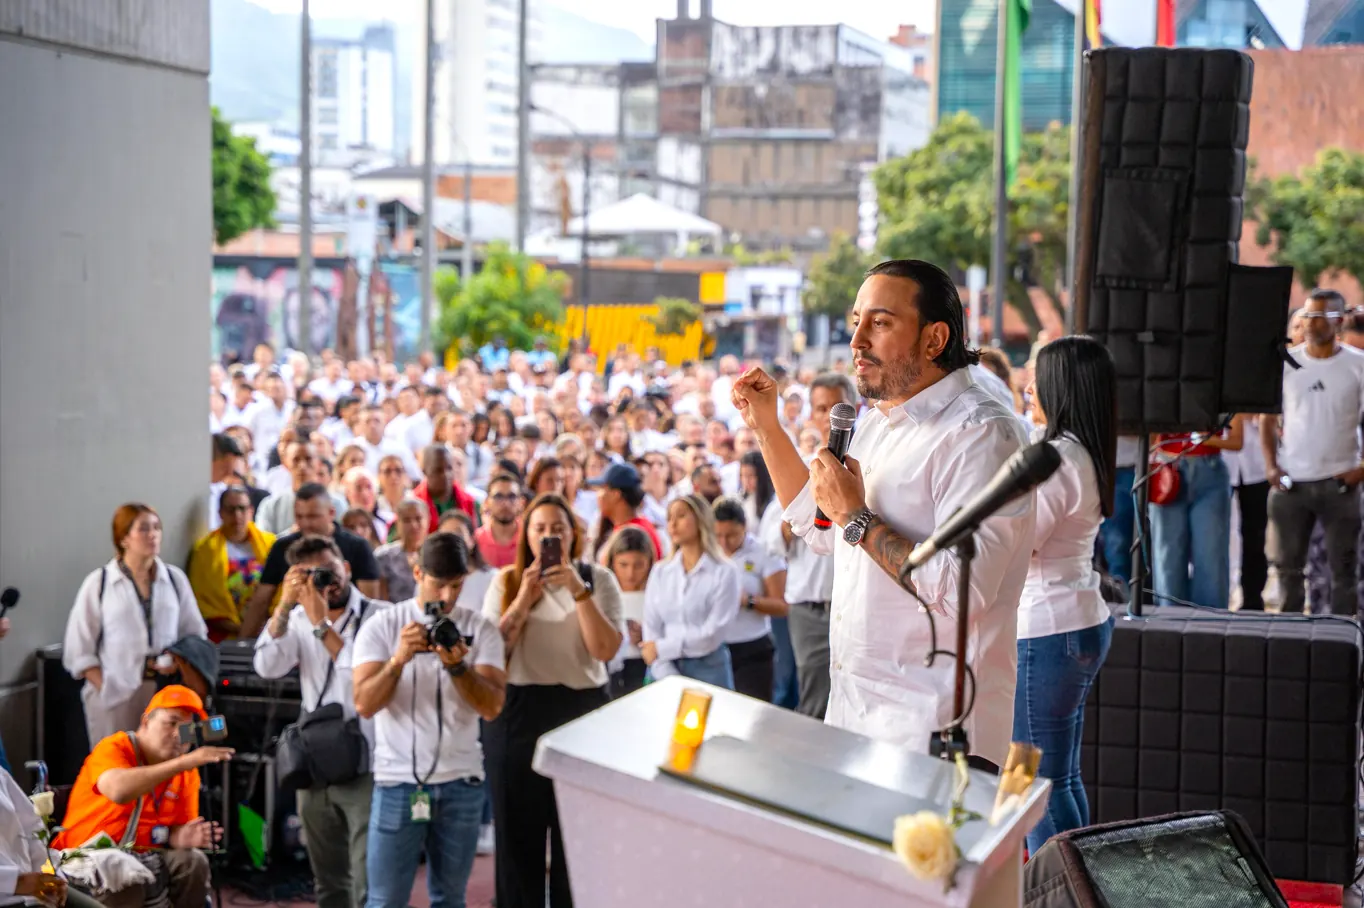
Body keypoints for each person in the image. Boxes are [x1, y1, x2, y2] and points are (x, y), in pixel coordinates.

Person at [731, 259, 1033, 768]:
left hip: (936, 731)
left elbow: (962, 592)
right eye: (856, 322)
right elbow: (822, 528)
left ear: (935, 338)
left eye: (880, 322)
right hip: (856, 717)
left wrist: (857, 516)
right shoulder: (878, 424)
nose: (857, 342)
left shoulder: (982, 434)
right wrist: (767, 427)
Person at [482, 494, 622, 908]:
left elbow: (605, 650)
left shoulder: (598, 579)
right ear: (526, 535)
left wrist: (579, 593)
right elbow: (494, 651)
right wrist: (525, 596)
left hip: (582, 710)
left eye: (557, 529)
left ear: (572, 534)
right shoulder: (506, 581)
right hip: (519, 711)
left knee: (575, 843)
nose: (549, 536)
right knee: (516, 842)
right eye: (540, 529)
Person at [353, 534, 506, 908]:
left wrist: (457, 666)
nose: (449, 597)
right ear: (417, 572)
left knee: (451, 899)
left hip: (462, 782)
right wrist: (398, 660)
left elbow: (491, 706)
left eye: (457, 585)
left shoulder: (481, 629)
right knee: (385, 900)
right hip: (397, 781)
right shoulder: (383, 627)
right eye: (440, 584)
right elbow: (365, 704)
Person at [1014, 336, 1117, 853]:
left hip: (1047, 628)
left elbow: (1019, 548)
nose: (1029, 387)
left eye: (1038, 376)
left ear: (1061, 386)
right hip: (1077, 618)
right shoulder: (1087, 449)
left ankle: (1060, 891)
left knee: (1032, 783)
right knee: (1061, 776)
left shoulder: (1055, 457)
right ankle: (1081, 884)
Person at [255, 536, 391, 908]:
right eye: (314, 575)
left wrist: (319, 624)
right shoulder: (297, 619)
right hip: (316, 764)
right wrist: (284, 605)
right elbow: (266, 666)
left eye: (330, 570)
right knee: (329, 885)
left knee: (368, 882)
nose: (326, 582)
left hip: (368, 761)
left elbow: (358, 675)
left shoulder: (380, 616)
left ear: (346, 568)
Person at [53, 686, 232, 908]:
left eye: (187, 729)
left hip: (146, 855)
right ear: (146, 721)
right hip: (88, 857)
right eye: (171, 723)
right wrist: (182, 762)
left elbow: (172, 833)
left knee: (193, 862)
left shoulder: (187, 774)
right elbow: (118, 790)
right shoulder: (115, 747)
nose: (178, 734)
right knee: (124, 876)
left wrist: (179, 837)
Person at [64, 505, 208, 746]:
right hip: (115, 694)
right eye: (143, 529)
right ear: (123, 539)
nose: (153, 534)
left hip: (164, 692)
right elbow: (78, 648)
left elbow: (195, 634)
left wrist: (178, 661)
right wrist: (106, 687)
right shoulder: (100, 583)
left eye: (156, 528)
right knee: (118, 767)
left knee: (164, 766)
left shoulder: (174, 579)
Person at [1262, 289, 1364, 616]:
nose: (1310, 323)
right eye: (1307, 315)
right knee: (1288, 573)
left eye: (1319, 317)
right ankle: (1289, 647)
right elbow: (1266, 418)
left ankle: (1345, 650)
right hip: (1292, 484)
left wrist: (1359, 471)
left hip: (1341, 485)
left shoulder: (1358, 364)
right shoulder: (1287, 364)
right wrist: (1271, 467)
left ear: (1339, 321)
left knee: (1343, 575)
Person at [240, 485, 382, 637]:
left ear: (331, 513)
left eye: (313, 516)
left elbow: (369, 599)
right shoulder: (282, 547)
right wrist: (241, 645)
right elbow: (260, 602)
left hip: (349, 630)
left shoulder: (357, 546)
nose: (306, 523)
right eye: (299, 517)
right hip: (296, 632)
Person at [641, 495, 741, 689]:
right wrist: (665, 668)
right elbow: (651, 626)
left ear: (700, 519)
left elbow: (712, 634)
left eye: (681, 516)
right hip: (663, 668)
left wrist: (663, 648)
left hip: (708, 670)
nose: (673, 523)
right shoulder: (661, 571)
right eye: (669, 518)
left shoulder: (725, 571)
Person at [1149, 417, 1243, 609]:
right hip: (1167, 468)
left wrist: (1206, 439)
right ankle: (1169, 629)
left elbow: (1237, 440)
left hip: (1209, 469)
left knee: (1211, 558)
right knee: (1168, 560)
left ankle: (1210, 629)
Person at [712, 497, 788, 702]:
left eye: (731, 535)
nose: (724, 542)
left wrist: (749, 601)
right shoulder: (709, 552)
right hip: (716, 647)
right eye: (718, 535)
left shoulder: (764, 552)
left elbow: (782, 606)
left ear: (744, 528)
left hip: (752, 648)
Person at [187, 486, 276, 641]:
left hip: (268, 632)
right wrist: (241, 629)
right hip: (225, 635)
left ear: (251, 511)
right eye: (231, 509)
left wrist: (265, 625)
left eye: (242, 508)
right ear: (220, 513)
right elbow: (203, 600)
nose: (237, 515)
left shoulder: (270, 544)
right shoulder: (205, 551)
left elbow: (281, 590)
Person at [602, 526, 656, 698]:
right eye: (623, 565)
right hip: (611, 669)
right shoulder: (604, 591)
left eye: (639, 565)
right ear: (612, 562)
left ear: (650, 562)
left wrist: (646, 635)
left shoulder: (657, 591)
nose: (630, 573)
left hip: (646, 668)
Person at [590, 463, 664, 560]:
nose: (598, 495)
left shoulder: (635, 534)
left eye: (602, 489)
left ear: (616, 494)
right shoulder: (627, 526)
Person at [374, 499, 428, 603]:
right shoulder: (383, 555)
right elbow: (381, 601)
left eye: (418, 518)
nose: (413, 525)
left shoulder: (437, 554)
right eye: (406, 520)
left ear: (427, 520)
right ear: (397, 523)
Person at [475, 473, 524, 569]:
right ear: (486, 502)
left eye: (512, 497)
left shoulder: (530, 537)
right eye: (498, 497)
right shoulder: (475, 541)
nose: (505, 503)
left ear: (521, 502)